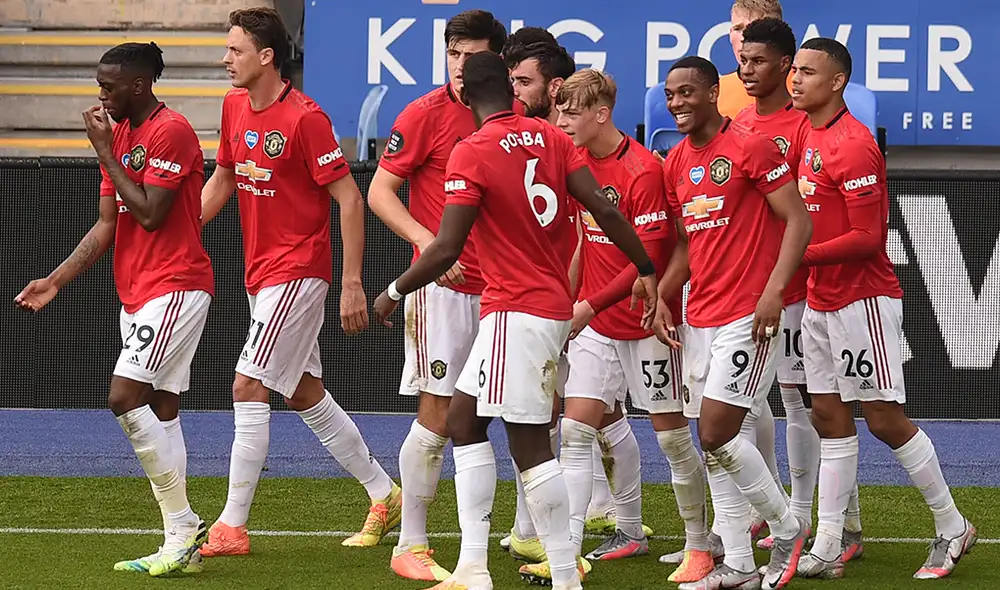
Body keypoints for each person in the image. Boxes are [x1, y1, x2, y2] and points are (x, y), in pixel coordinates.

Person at [372, 51, 659, 590]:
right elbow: (605, 209)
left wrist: (392, 291)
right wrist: (645, 267)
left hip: (513, 310)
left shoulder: (472, 150)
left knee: (529, 445)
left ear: (465, 96)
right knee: (464, 419)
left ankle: (558, 571)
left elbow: (445, 248)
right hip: (545, 306)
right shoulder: (552, 139)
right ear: (510, 90)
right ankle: (474, 567)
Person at [197, 7, 398, 557]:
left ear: (266, 57)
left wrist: (352, 282)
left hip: (298, 272)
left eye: (234, 49)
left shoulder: (306, 118)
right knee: (302, 393)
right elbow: (223, 178)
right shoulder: (235, 105)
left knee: (247, 385)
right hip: (260, 274)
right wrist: (179, 228)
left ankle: (231, 527)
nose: (225, 59)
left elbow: (350, 198)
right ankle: (384, 493)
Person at [15, 42, 212, 576]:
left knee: (123, 397)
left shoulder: (170, 131)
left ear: (140, 85)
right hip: (138, 290)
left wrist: (104, 151)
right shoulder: (121, 134)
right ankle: (181, 544)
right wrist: (55, 280)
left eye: (109, 85)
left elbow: (148, 214)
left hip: (176, 285)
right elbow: (110, 223)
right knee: (162, 410)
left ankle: (186, 525)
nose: (100, 95)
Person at [790, 37, 977, 580]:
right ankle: (828, 543)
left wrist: (801, 256)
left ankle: (952, 525)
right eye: (795, 70)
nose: (796, 80)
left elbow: (869, 237)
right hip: (821, 300)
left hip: (862, 300)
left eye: (807, 72)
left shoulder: (854, 143)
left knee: (883, 419)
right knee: (827, 414)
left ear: (837, 81)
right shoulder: (808, 131)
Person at [530, 67, 711, 584]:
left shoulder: (642, 171)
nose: (561, 120)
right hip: (598, 326)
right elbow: (583, 243)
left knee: (674, 440)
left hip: (642, 322)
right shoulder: (576, 161)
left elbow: (647, 261)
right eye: (559, 110)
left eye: (571, 111)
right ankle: (577, 547)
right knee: (576, 430)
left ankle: (700, 544)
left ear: (601, 114)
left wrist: (586, 307)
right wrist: (570, 300)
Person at [648, 55, 813, 590]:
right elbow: (685, 246)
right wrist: (662, 295)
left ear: (711, 94)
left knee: (716, 430)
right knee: (718, 444)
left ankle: (788, 529)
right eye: (670, 94)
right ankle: (739, 564)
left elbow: (798, 220)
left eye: (687, 93)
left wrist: (772, 293)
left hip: (750, 312)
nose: (677, 103)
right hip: (702, 314)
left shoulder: (750, 145)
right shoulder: (675, 162)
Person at [366, 9, 509, 583]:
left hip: (504, 289)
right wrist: (429, 246)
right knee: (438, 413)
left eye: (470, 56)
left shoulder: (514, 116)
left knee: (529, 413)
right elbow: (379, 190)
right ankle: (412, 542)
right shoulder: (423, 114)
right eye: (452, 54)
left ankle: (531, 536)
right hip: (442, 291)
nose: (458, 67)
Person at [733, 16, 834, 553]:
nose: (746, 70)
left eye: (757, 61)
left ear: (786, 66)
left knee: (801, 400)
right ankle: (764, 507)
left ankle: (802, 514)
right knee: (749, 403)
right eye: (743, 60)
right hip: (744, 283)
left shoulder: (804, 127)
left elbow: (806, 211)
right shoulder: (740, 123)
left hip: (793, 286)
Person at [719, 0, 785, 119]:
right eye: (738, 29)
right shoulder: (717, 91)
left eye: (756, 28)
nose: (744, 37)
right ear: (730, 34)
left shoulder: (803, 86)